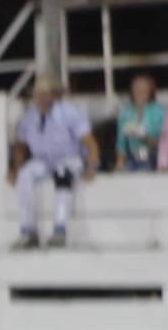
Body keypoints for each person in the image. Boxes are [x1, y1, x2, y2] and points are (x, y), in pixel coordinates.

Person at [9, 75, 100, 249]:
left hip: (69, 158)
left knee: (62, 174)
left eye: (46, 94)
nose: (42, 98)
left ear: (56, 95)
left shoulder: (70, 113)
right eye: (38, 94)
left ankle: (60, 229)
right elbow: (20, 146)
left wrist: (92, 165)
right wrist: (16, 168)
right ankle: (28, 231)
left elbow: (89, 141)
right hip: (43, 160)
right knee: (25, 175)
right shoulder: (29, 117)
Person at [114, 72, 165, 171]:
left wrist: (144, 137)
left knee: (144, 165)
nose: (140, 90)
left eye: (144, 87)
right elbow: (121, 143)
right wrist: (119, 162)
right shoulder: (125, 113)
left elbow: (164, 144)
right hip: (133, 156)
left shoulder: (159, 112)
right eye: (136, 86)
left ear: (151, 90)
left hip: (154, 156)